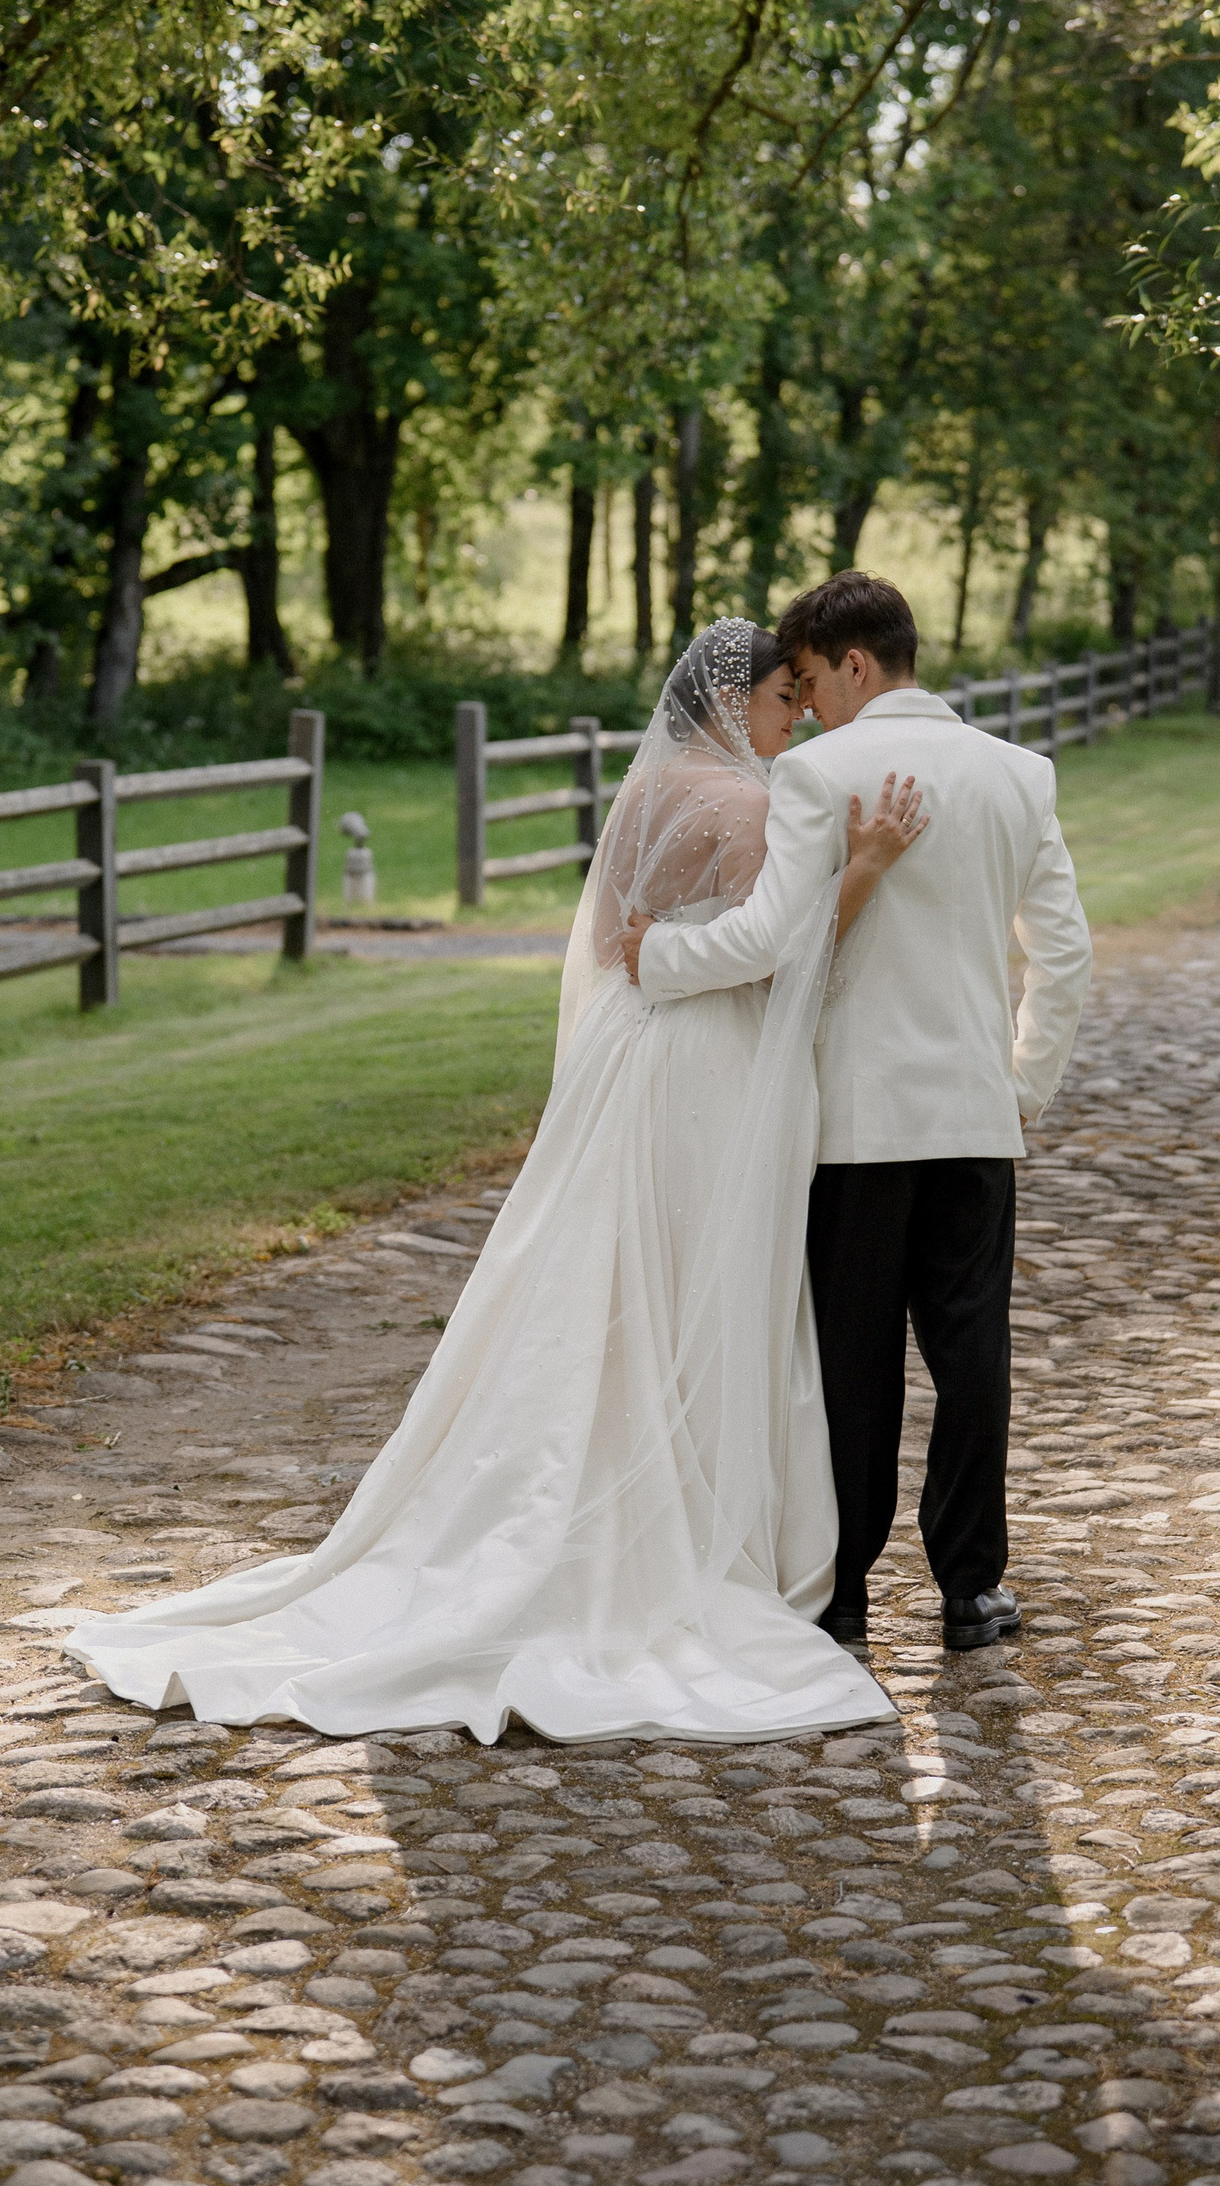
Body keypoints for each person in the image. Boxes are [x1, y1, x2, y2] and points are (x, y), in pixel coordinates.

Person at [66, 619, 923, 1743]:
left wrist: (667, 952)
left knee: (613, 1278)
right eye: (781, 700)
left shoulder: (650, 789)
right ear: (733, 701)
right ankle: (676, 1521)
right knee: (693, 1285)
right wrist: (862, 869)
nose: (795, 720)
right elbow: (774, 955)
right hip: (701, 1066)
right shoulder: (743, 804)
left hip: (626, 1060)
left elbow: (617, 947)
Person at [627, 572, 1092, 1654]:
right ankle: (971, 1590)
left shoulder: (818, 773)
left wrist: (656, 956)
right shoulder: (1018, 774)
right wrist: (1019, 1087)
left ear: (855, 663)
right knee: (974, 1358)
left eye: (812, 682)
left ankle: (842, 1597)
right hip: (975, 1119)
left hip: (852, 1128)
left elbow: (768, 940)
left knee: (853, 1363)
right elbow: (1064, 957)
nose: (811, 709)